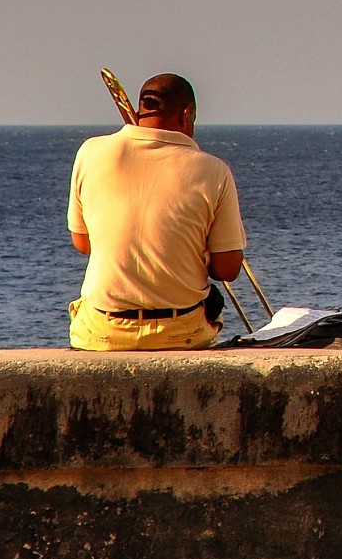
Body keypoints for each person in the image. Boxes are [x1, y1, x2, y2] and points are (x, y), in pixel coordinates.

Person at [66, 73, 247, 351]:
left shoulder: (90, 152)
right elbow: (227, 269)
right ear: (186, 114)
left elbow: (83, 243)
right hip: (180, 331)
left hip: (103, 332)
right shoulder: (214, 170)